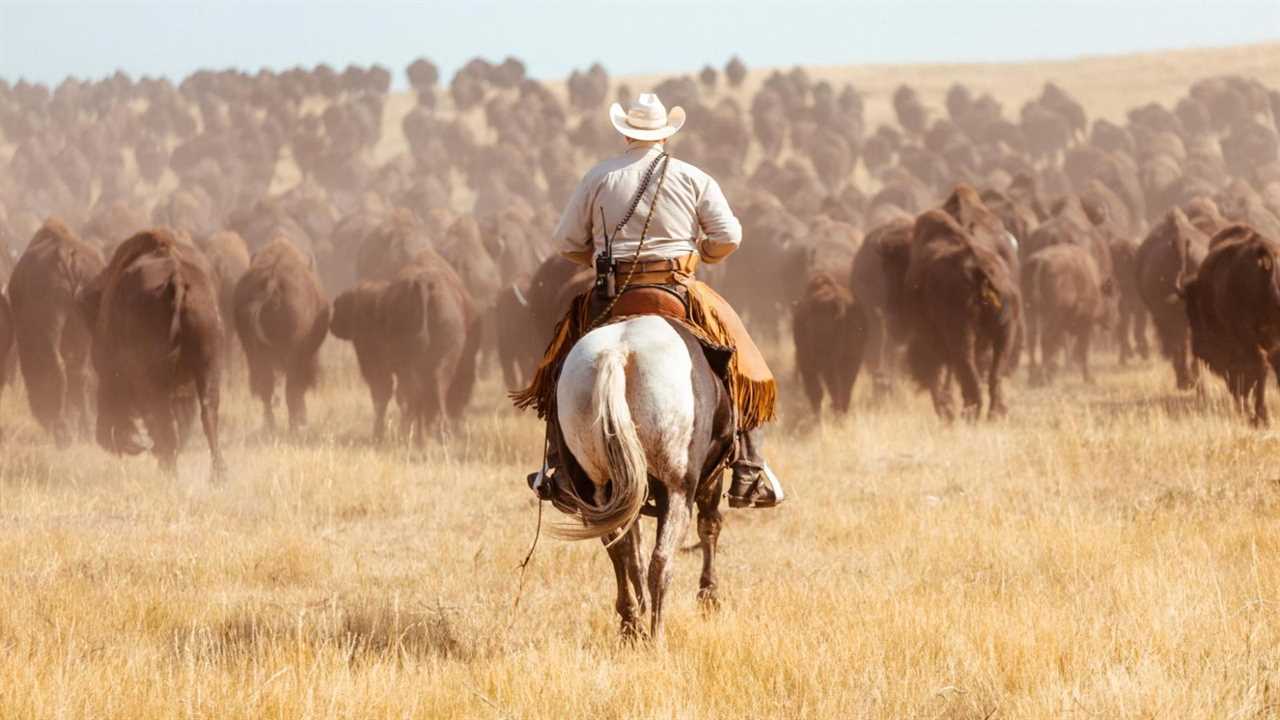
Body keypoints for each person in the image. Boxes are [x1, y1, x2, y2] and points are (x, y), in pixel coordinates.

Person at [514, 93, 784, 508]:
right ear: (665, 135)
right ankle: (750, 471)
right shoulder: (694, 177)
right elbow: (728, 236)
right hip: (677, 287)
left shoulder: (598, 176)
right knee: (744, 362)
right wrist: (704, 255)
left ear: (625, 132)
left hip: (610, 293)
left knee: (560, 363)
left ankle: (558, 468)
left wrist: (597, 259)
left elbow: (565, 241)